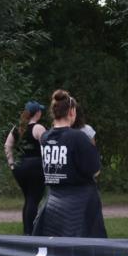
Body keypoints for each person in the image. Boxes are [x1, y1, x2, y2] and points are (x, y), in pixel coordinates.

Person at [32, 90, 106, 238]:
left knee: (55, 247)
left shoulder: (45, 138)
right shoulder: (78, 137)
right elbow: (95, 170)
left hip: (52, 202)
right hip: (79, 205)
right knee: (83, 248)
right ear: (72, 112)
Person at [4, 100, 46, 234]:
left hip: (20, 167)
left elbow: (7, 146)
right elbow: (47, 147)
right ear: (37, 113)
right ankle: (32, 231)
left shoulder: (18, 128)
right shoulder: (38, 128)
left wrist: (12, 164)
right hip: (36, 167)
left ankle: (27, 231)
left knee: (29, 199)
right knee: (34, 199)